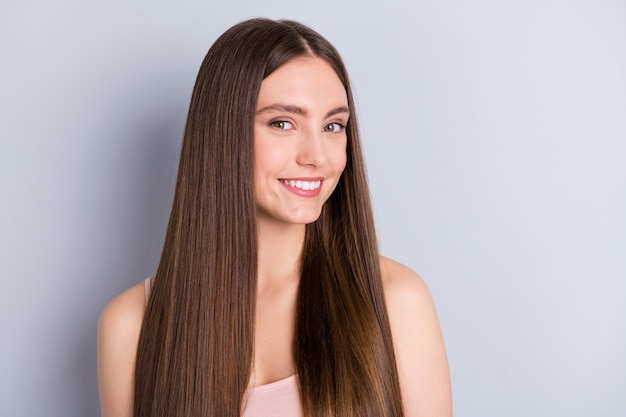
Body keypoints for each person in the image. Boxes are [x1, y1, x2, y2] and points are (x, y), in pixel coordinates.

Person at [97, 18, 452, 417]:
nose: (317, 156)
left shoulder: (396, 301)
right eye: (283, 123)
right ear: (222, 133)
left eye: (333, 126)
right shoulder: (131, 325)